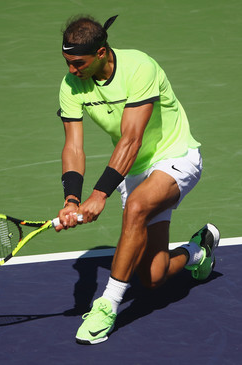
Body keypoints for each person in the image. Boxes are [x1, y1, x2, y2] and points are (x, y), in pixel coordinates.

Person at [54, 15, 220, 345]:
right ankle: (198, 251)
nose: (72, 71)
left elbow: (131, 138)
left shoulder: (139, 67)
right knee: (153, 277)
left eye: (78, 63)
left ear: (101, 52)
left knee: (137, 208)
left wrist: (100, 194)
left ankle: (107, 306)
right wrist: (72, 199)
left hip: (175, 156)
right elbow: (73, 146)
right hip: (134, 169)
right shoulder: (70, 85)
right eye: (68, 63)